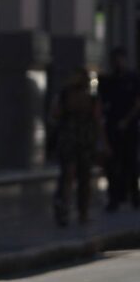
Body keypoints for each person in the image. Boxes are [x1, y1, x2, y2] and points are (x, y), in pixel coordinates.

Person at [50, 68, 104, 226]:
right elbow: (55, 114)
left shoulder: (92, 98)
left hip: (85, 141)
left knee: (84, 177)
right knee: (68, 173)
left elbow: (98, 120)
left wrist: (102, 143)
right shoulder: (64, 95)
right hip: (69, 140)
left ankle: (82, 212)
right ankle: (64, 207)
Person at [98, 47, 140, 211]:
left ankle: (134, 196)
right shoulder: (108, 81)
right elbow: (101, 105)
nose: (118, 62)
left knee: (130, 162)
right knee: (112, 164)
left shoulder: (133, 78)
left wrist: (127, 120)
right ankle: (114, 197)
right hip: (112, 128)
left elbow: (137, 103)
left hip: (129, 128)